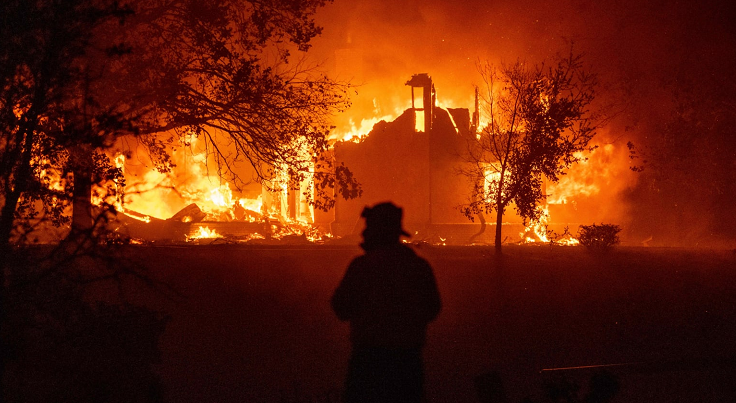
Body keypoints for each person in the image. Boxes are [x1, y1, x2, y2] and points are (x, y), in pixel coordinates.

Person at [331, 202, 441, 403]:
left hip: (367, 365)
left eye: (368, 228)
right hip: (407, 365)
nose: (363, 234)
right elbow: (433, 309)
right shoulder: (417, 267)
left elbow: (340, 308)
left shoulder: (362, 267)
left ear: (378, 232)